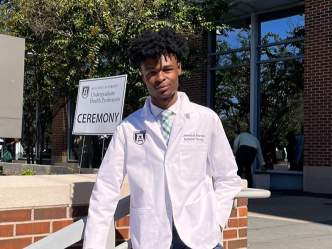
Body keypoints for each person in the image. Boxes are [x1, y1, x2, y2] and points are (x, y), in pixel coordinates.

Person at [83, 28, 243, 249]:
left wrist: (216, 222)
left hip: (200, 237)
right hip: (152, 238)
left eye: (167, 69)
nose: (160, 78)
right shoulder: (127, 129)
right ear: (142, 74)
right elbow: (106, 191)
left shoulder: (206, 120)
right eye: (151, 72)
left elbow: (228, 178)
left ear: (178, 68)